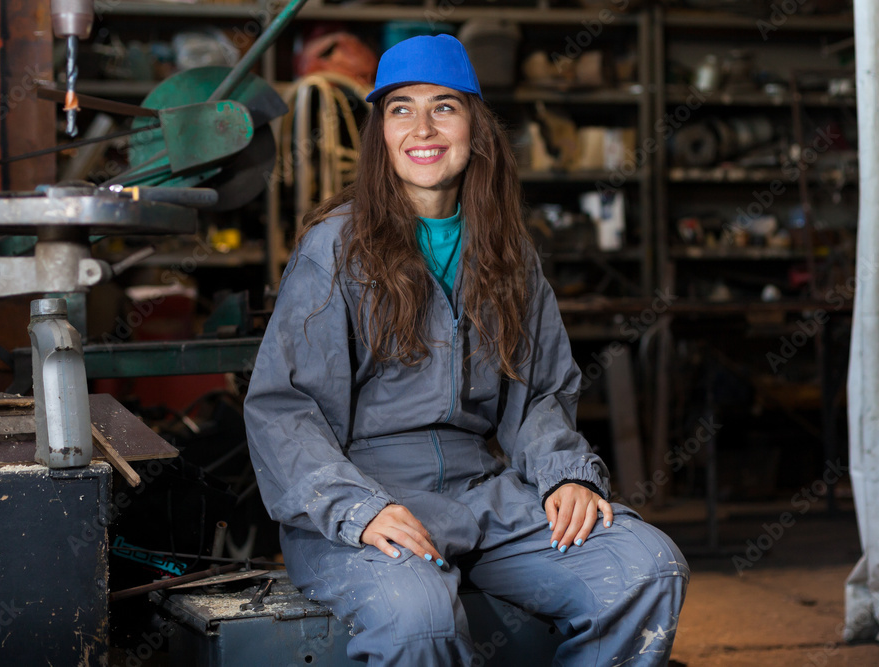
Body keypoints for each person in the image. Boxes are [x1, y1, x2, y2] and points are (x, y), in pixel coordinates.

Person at [244, 34, 688, 666]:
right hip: (365, 495)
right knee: (416, 618)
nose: (422, 127)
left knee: (646, 570)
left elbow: (539, 393)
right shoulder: (334, 250)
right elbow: (284, 409)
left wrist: (564, 473)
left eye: (444, 107)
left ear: (476, 127)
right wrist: (358, 508)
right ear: (381, 134)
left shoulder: (507, 251)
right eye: (401, 108)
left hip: (484, 493)